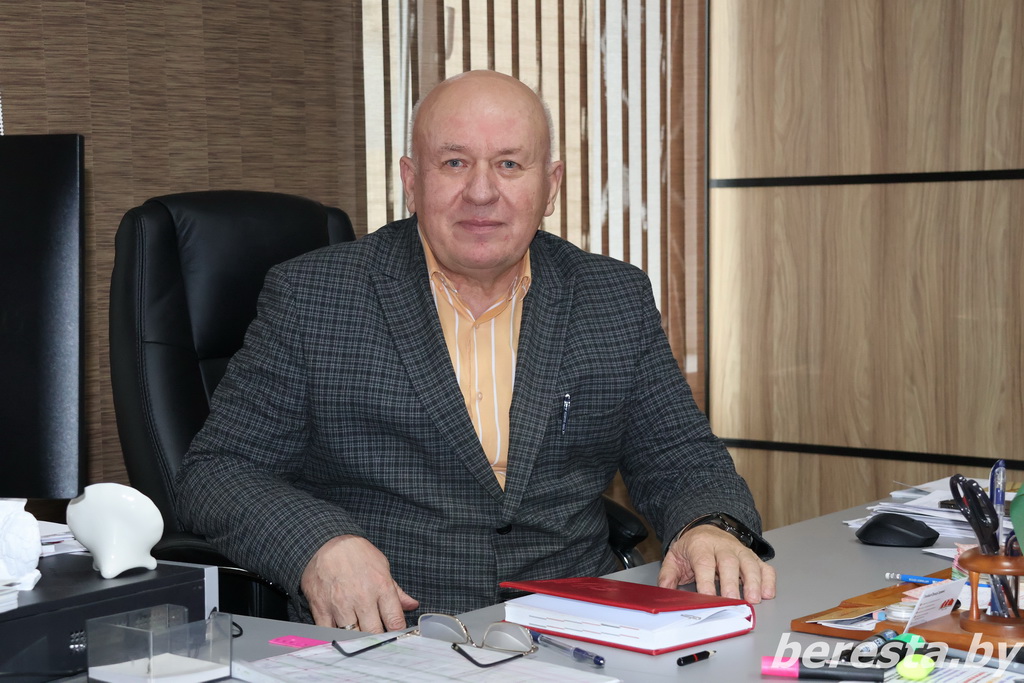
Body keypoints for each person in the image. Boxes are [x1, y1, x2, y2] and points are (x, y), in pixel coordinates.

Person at [176, 70, 776, 634]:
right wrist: (319, 545)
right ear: (412, 181)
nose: (481, 192)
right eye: (454, 163)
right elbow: (218, 470)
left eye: (509, 164)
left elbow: (677, 454)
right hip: (393, 634)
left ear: (551, 186)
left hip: (579, 626)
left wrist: (708, 525)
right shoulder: (316, 296)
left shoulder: (611, 295)